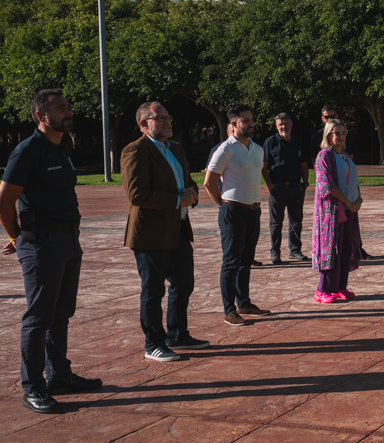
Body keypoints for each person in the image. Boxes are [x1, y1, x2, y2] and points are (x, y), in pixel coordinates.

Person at [0, 89, 100, 414]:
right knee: (38, 317)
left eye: (68, 106)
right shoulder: (28, 151)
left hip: (68, 240)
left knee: (61, 313)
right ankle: (33, 387)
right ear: (42, 116)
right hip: (41, 243)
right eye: (61, 108)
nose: (69, 112)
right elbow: (2, 203)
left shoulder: (62, 146)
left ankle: (59, 377)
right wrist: (20, 239)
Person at [121, 101, 207, 364]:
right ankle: (153, 343)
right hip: (150, 233)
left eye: (169, 117)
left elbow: (188, 182)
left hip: (178, 228)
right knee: (153, 290)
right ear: (144, 124)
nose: (167, 122)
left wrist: (191, 197)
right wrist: (175, 201)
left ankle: (178, 334)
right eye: (160, 118)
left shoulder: (177, 148)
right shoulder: (135, 151)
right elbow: (136, 194)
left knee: (184, 283)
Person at [205, 105, 271, 326]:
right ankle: (229, 310)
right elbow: (209, 182)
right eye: (245, 120)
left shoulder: (258, 149)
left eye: (252, 119)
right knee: (231, 262)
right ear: (233, 124)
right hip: (233, 211)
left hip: (253, 210)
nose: (251, 123)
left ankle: (244, 303)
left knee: (246, 261)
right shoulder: (225, 150)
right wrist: (223, 206)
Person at [311, 119, 362, 302]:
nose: (339, 136)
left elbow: (353, 180)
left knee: (346, 247)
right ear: (328, 135)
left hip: (349, 209)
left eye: (342, 133)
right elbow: (328, 186)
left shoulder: (345, 155)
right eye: (335, 132)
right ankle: (323, 289)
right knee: (331, 249)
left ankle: (340, 286)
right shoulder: (324, 155)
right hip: (332, 212)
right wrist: (348, 203)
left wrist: (357, 200)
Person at [262, 112, 310, 264]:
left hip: (296, 187)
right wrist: (270, 185)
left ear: (291, 124)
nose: (284, 127)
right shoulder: (270, 142)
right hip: (277, 188)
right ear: (276, 126)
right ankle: (275, 253)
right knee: (276, 223)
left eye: (286, 123)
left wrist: (305, 182)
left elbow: (304, 164)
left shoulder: (298, 142)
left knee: (296, 221)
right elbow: (264, 166)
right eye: (280, 124)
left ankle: (295, 250)